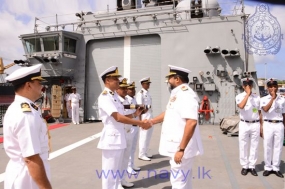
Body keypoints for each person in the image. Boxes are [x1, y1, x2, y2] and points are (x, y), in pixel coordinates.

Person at [97, 66, 152, 189]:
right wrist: (140, 123)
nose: (118, 81)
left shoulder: (114, 96)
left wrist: (134, 114)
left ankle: (118, 185)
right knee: (110, 172)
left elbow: (122, 114)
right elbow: (117, 117)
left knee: (118, 167)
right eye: (115, 78)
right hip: (111, 138)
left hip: (119, 136)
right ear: (107, 81)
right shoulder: (105, 96)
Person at [149, 65, 203, 189]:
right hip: (178, 146)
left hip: (181, 147)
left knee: (178, 182)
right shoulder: (177, 94)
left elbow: (191, 122)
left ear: (177, 79)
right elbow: (169, 112)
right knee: (184, 181)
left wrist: (181, 149)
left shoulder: (186, 95)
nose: (168, 81)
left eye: (170, 78)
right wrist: (152, 121)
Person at [3, 64, 52, 189]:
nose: (42, 86)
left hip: (25, 173)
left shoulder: (22, 108)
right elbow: (31, 158)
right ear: (28, 85)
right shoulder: (26, 114)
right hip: (28, 178)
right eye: (38, 83)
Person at [235, 77, 261, 176]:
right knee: (243, 145)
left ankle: (252, 166)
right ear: (243, 86)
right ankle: (245, 166)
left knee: (254, 146)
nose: (248, 87)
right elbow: (241, 106)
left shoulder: (257, 98)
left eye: (250, 85)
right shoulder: (239, 96)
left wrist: (261, 125)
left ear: (252, 86)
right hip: (244, 124)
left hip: (255, 123)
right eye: (246, 85)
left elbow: (258, 112)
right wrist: (247, 95)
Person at [260, 78, 285, 178]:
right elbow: (265, 110)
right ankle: (268, 167)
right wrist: (272, 99)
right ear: (267, 88)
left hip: (279, 124)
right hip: (268, 124)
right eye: (270, 87)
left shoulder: (283, 100)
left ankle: (276, 167)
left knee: (278, 147)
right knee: (267, 146)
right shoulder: (263, 99)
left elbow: (284, 114)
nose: (273, 88)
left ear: (277, 87)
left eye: (275, 86)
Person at [116, 78, 135, 188]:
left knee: (126, 157)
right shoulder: (116, 100)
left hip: (129, 131)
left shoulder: (126, 100)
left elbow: (132, 113)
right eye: (122, 88)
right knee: (119, 159)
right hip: (121, 132)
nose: (124, 90)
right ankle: (117, 182)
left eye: (125, 88)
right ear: (117, 89)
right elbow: (121, 117)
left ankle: (122, 180)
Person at [136, 77, 153, 161]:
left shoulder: (147, 93)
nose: (149, 85)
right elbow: (139, 106)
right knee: (144, 135)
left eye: (149, 83)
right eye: (147, 83)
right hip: (144, 116)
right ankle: (141, 154)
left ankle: (145, 152)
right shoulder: (141, 93)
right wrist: (140, 121)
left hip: (149, 115)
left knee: (148, 135)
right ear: (143, 84)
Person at [126, 81, 141, 175]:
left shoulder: (134, 99)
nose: (133, 91)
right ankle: (128, 166)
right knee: (128, 148)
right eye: (131, 89)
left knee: (133, 147)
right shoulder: (126, 100)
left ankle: (132, 164)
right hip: (130, 127)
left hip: (136, 126)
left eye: (134, 89)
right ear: (127, 90)